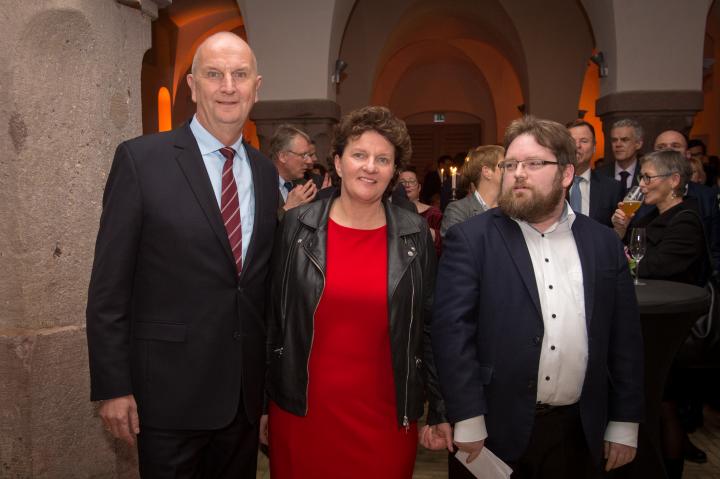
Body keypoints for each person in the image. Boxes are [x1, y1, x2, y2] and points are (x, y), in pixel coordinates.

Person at [86, 32, 277, 478]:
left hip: (242, 402)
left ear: (257, 87)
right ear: (192, 86)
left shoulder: (265, 173)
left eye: (240, 75)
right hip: (167, 397)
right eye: (214, 74)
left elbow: (257, 288)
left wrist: (267, 393)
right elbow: (108, 286)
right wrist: (114, 386)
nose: (228, 86)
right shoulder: (141, 160)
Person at [432, 116, 644, 479]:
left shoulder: (603, 243)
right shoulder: (472, 239)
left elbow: (624, 337)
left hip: (578, 431)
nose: (517, 173)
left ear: (565, 174)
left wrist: (624, 421)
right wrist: (466, 416)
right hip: (492, 429)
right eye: (510, 164)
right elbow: (452, 333)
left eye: (533, 164)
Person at [262, 106, 452, 478]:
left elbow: (430, 328)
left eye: (383, 159)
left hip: (385, 417)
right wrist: (263, 405)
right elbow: (274, 320)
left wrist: (441, 410)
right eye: (359, 155)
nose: (370, 167)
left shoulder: (415, 236)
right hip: (303, 414)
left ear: (394, 171)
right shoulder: (297, 227)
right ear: (338, 161)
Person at [611, 149, 709, 479]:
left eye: (648, 177)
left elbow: (657, 267)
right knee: (657, 404)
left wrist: (624, 259)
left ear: (675, 181)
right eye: (642, 177)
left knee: (667, 407)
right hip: (652, 324)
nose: (642, 184)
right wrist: (620, 234)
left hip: (675, 332)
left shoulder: (686, 220)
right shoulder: (650, 217)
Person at [566, 119, 623, 228]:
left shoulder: (612, 188)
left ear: (594, 147)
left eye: (584, 141)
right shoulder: (551, 184)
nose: (577, 146)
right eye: (571, 141)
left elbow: (616, 231)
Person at [440, 145, 503, 237]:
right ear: (487, 172)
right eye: (505, 165)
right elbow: (457, 248)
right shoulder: (458, 210)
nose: (514, 171)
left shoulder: (511, 209)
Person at [269, 124, 318, 217]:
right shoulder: (261, 186)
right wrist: (288, 209)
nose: (309, 161)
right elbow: (261, 228)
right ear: (283, 156)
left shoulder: (304, 186)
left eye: (308, 155)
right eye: (303, 155)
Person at [399, 167, 443, 255]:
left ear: (419, 188)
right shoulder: (390, 212)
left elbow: (444, 244)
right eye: (402, 182)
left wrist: (431, 234)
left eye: (412, 181)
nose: (407, 185)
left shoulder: (433, 213)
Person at [596, 118, 644, 196]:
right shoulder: (598, 175)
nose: (618, 145)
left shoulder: (647, 175)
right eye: (614, 140)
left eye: (624, 140)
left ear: (638, 144)